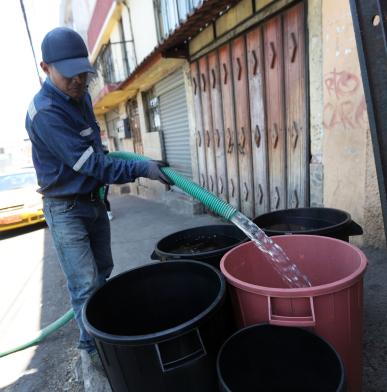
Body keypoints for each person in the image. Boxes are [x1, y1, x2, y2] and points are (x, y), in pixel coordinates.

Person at [25, 27, 173, 365]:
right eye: (69, 73)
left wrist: (130, 164)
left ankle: (98, 334)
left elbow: (97, 150)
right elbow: (92, 164)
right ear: (45, 67)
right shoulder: (46, 113)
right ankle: (93, 354)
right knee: (85, 283)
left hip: (92, 201)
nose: (78, 80)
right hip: (66, 209)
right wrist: (141, 169)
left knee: (102, 270)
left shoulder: (81, 98)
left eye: (82, 71)